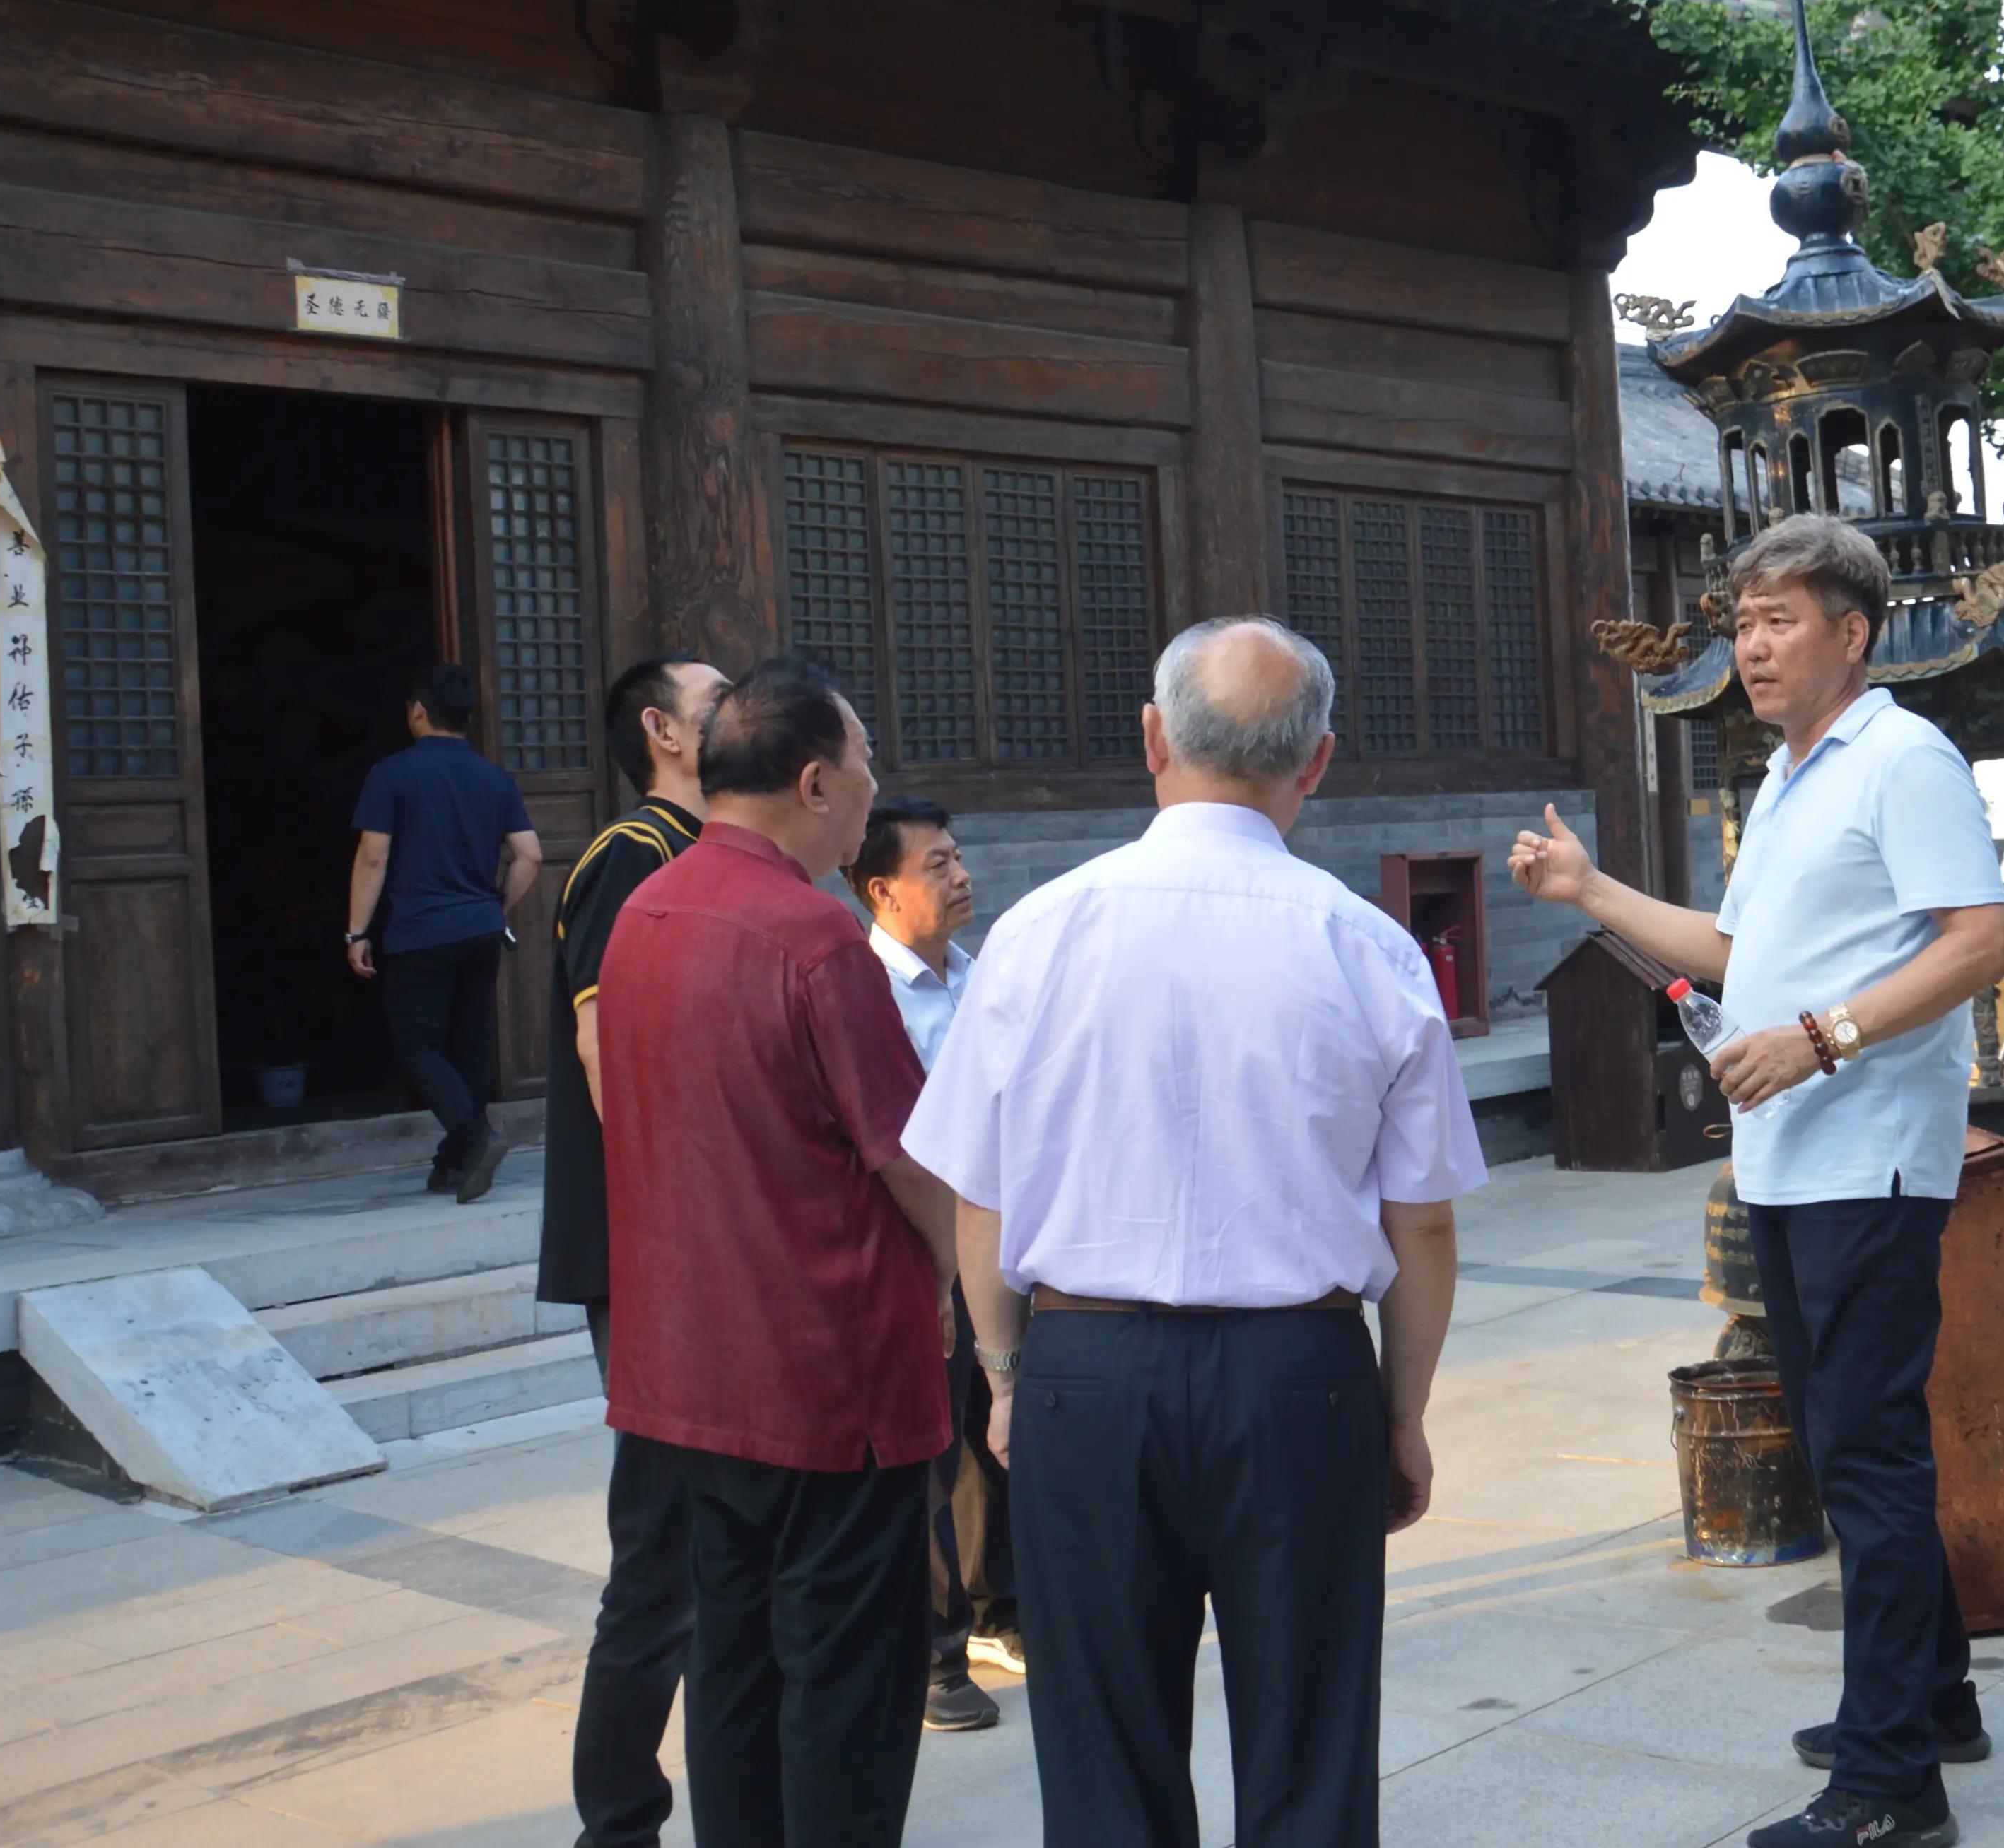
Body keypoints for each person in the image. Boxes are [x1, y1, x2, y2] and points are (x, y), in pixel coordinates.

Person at [901, 616, 1484, 1848]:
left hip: (1085, 1376)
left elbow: (980, 1197)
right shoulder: (1368, 947)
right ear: (1315, 763)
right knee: (1310, 1747)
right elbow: (1421, 1225)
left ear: (1153, 739)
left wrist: (1005, 1375)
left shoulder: (1036, 936)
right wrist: (1402, 1416)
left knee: (1102, 1755)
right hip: (1301, 1378)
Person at [1509, 514, 2004, 1848]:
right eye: (1740, 622)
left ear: (1851, 634)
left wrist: (1823, 1036)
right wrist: (1588, 888)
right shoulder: (1792, 775)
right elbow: (1735, 951)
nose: (1750, 643)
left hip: (1867, 1164)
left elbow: (1978, 944)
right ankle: (1931, 1701)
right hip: (1791, 1164)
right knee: (1854, 1450)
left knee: (1868, 1463)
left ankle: (1890, 1787)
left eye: (1777, 619)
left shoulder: (1899, 757)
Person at [596, 652, 959, 1848]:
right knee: (847, 1686)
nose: (871, 794)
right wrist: (954, 1281)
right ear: (813, 782)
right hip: (825, 1371)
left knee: (737, 1668)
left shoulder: (647, 909)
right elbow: (910, 1158)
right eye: (863, 768)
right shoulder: (811, 936)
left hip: (691, 1372)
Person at [541, 652, 724, 1848]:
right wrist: (683, 1234)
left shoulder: (699, 856)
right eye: (720, 708)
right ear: (662, 731)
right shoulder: (633, 857)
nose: (740, 719)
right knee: (659, 1552)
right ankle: (616, 1822)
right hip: (650, 1253)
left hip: (689, 1252)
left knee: (702, 1544)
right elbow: (616, 1057)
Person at [850, 795, 1019, 1736]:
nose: (960, 878)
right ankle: (934, 1658)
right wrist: (937, 1269)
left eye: (960, 859)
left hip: (994, 1238)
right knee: (926, 1453)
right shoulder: (864, 992)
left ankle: (1003, 1608)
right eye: (939, 866)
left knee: (994, 1433)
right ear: (883, 891)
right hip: (918, 1247)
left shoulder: (977, 974)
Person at [346, 663, 541, 1201]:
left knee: (417, 1046)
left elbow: (372, 857)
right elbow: (529, 855)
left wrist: (356, 932)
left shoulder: (392, 774)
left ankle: (474, 1137)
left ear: (418, 712)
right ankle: (454, 1161)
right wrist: (496, 906)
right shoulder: (493, 777)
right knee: (470, 1044)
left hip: (422, 932)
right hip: (481, 929)